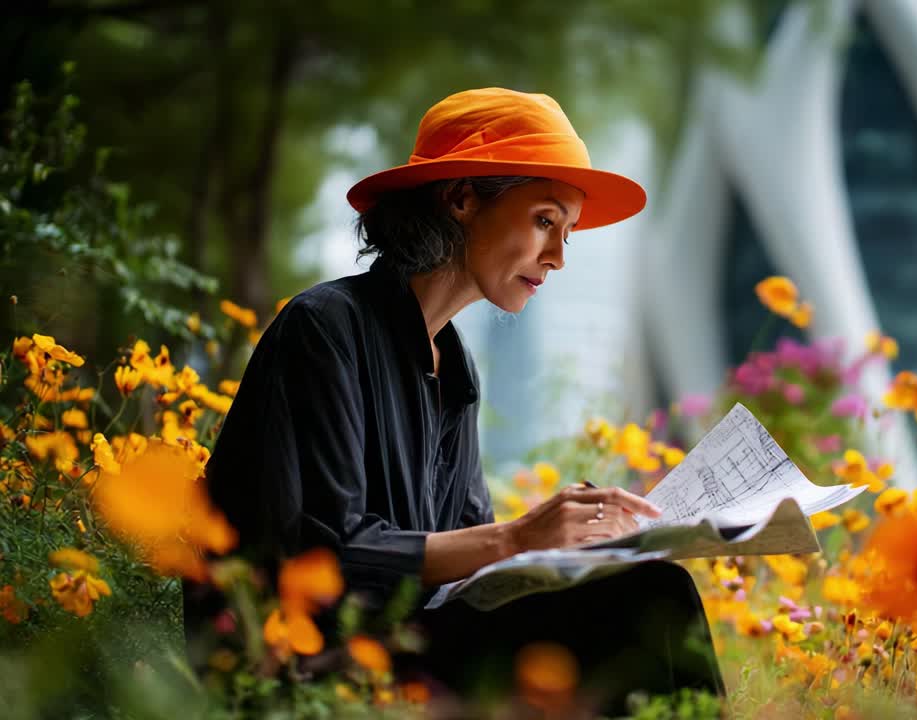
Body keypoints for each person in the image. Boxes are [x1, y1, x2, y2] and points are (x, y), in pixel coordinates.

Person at [183, 87, 725, 714]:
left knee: (649, 586)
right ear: (462, 199)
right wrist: (518, 536)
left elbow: (468, 554)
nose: (557, 258)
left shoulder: (454, 363)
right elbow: (329, 553)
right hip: (298, 655)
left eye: (567, 233)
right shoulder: (325, 325)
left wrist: (570, 547)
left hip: (405, 637)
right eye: (545, 221)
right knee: (646, 601)